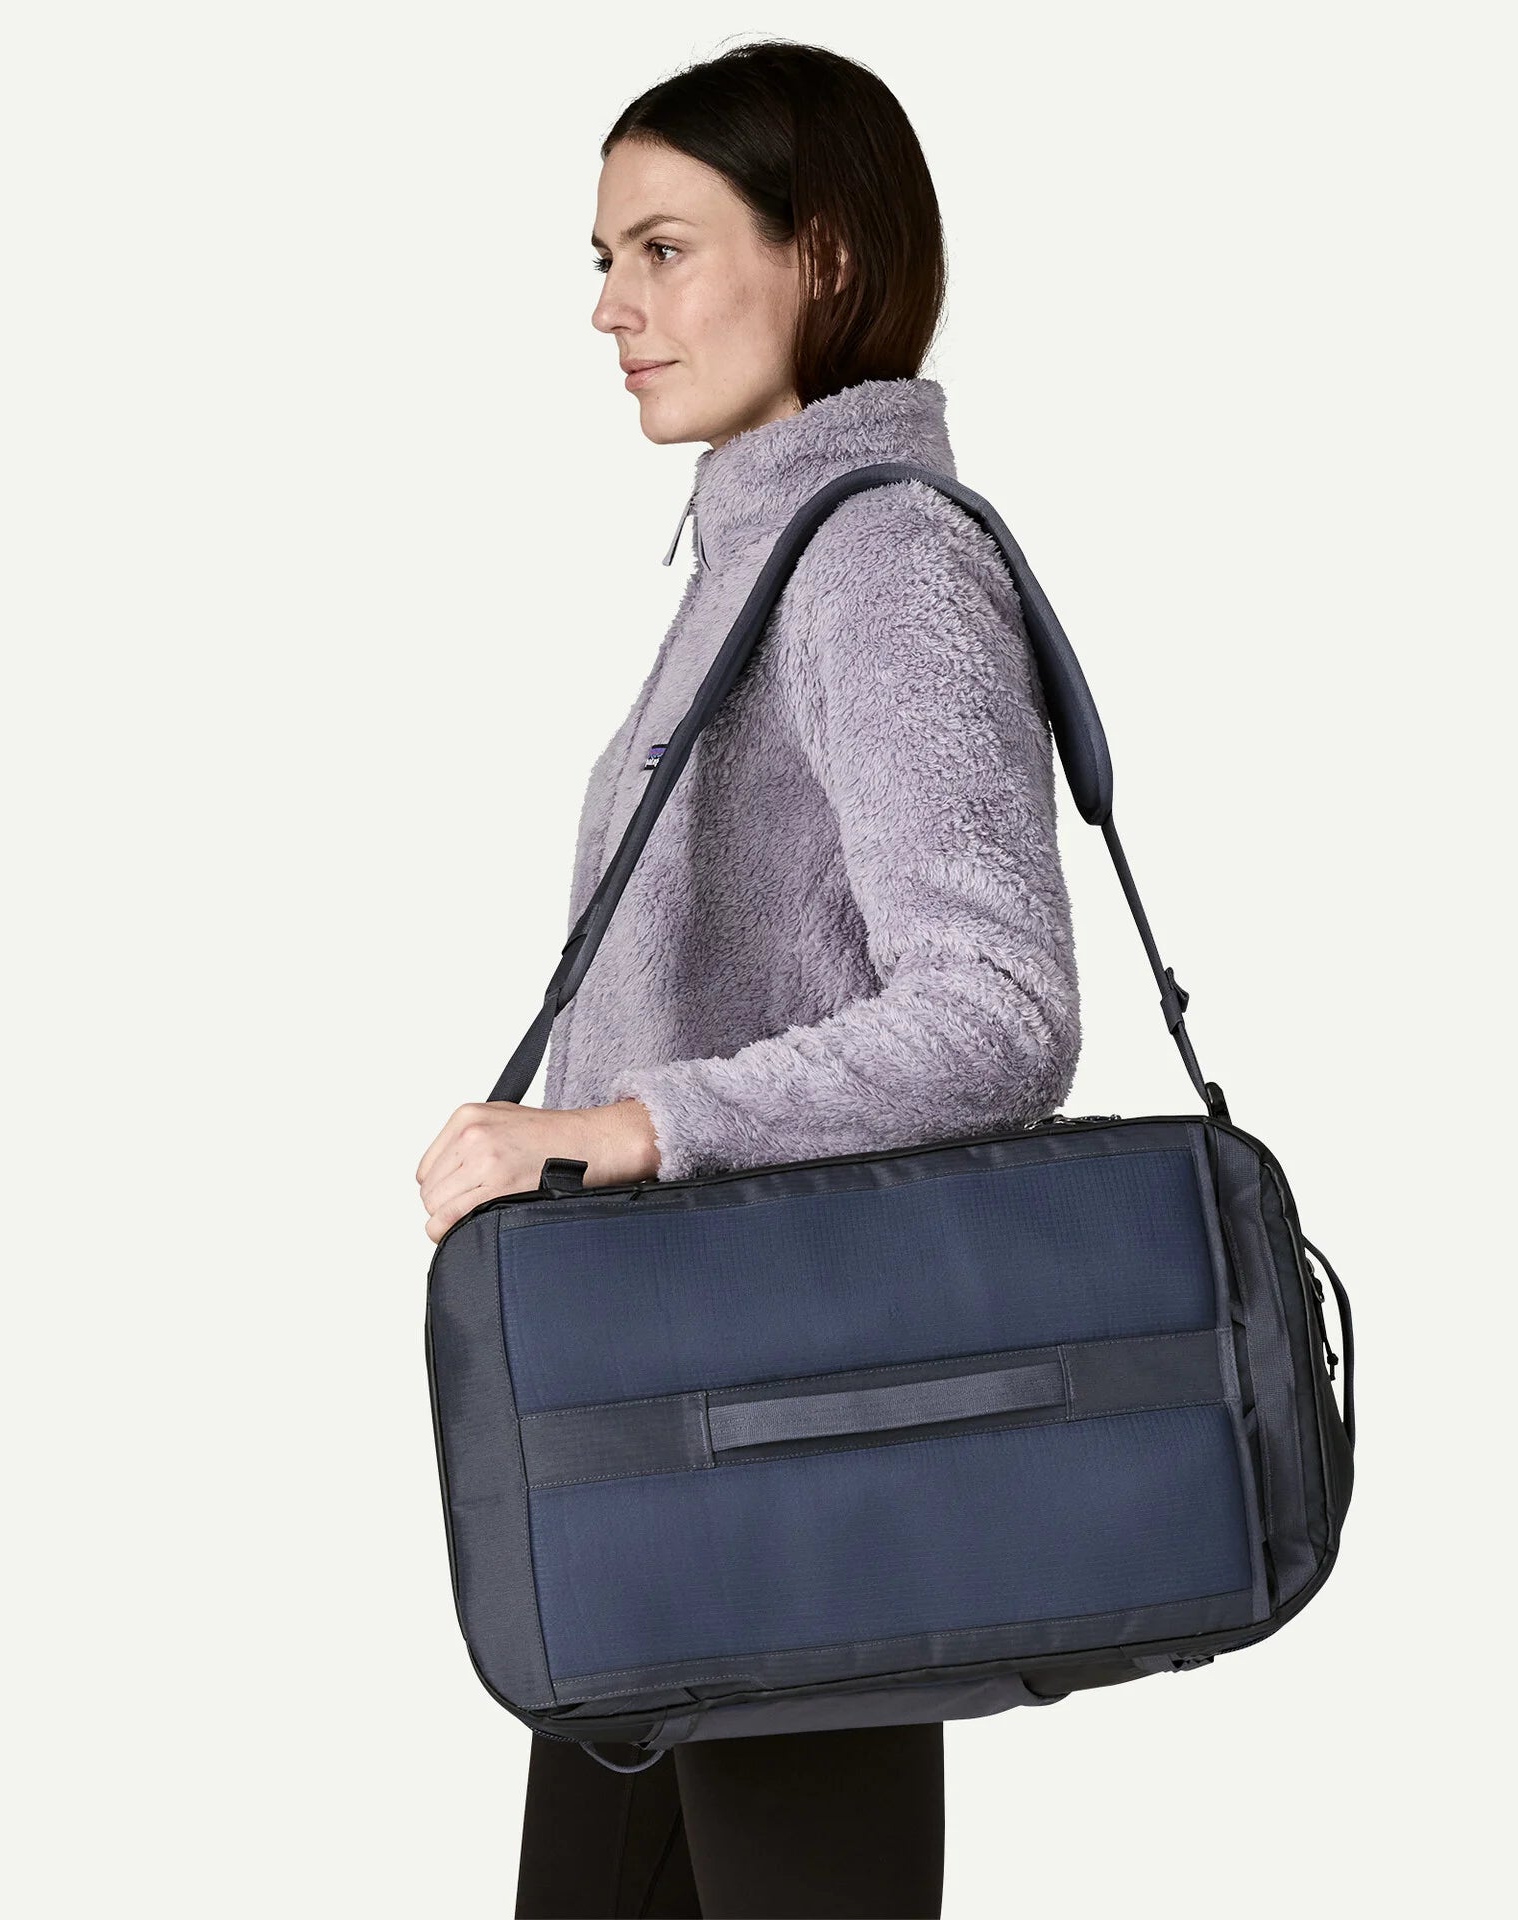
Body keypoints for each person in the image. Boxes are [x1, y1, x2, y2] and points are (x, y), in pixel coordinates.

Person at [415, 39, 1081, 1919]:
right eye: (602, 258)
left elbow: (1000, 1010)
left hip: (793, 1441)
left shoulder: (877, 560)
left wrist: (624, 1130)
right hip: (671, 1441)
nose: (609, 309)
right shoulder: (756, 550)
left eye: (663, 249)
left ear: (828, 258)